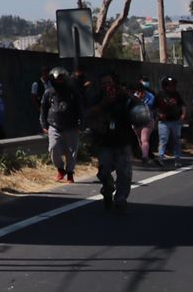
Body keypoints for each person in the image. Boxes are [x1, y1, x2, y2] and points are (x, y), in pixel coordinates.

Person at [85, 71, 135, 211]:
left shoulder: (124, 97)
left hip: (122, 140)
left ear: (115, 83)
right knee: (104, 171)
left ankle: (120, 199)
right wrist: (104, 104)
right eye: (104, 83)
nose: (107, 86)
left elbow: (139, 107)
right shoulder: (97, 98)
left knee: (124, 172)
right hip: (104, 142)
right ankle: (107, 191)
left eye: (109, 82)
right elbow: (88, 114)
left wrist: (128, 95)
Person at [40, 66, 83, 182]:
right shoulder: (48, 93)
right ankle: (60, 169)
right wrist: (44, 125)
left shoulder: (73, 92)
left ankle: (70, 173)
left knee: (71, 151)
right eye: (56, 79)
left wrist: (80, 124)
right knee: (53, 148)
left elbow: (79, 109)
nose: (58, 81)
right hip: (54, 125)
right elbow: (43, 109)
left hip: (71, 126)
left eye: (61, 78)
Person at [155, 76, 187, 166]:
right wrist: (158, 114)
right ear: (165, 86)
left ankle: (177, 158)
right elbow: (154, 108)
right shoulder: (159, 95)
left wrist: (183, 114)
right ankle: (161, 157)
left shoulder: (176, 94)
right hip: (163, 122)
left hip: (176, 121)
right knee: (163, 139)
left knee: (176, 139)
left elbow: (183, 105)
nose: (172, 87)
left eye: (173, 85)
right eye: (170, 85)